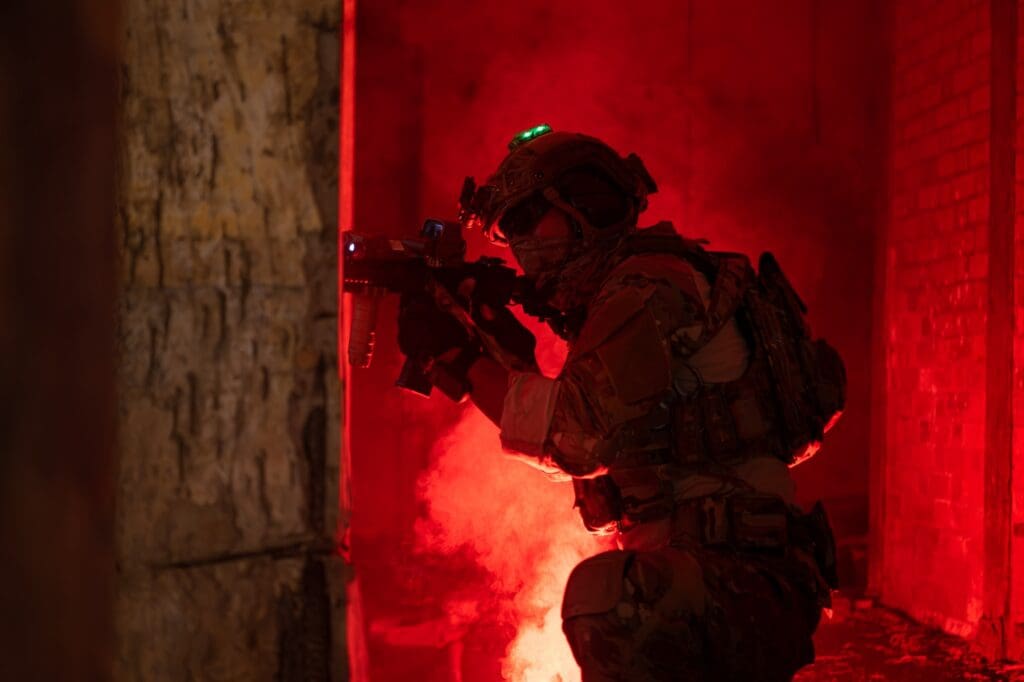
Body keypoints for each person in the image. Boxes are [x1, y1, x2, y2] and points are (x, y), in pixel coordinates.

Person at [397, 126, 845, 681]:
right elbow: (597, 455)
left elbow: (577, 439)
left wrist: (461, 359)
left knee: (605, 595)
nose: (522, 247)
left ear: (584, 207)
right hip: (731, 582)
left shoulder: (649, 288)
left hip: (742, 584)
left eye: (528, 221)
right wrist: (508, 362)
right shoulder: (648, 285)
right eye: (510, 231)